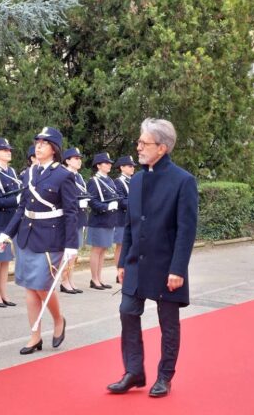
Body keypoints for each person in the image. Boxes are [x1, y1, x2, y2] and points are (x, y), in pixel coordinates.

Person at [107, 118, 198, 398]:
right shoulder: (137, 179)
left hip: (166, 264)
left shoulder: (183, 181)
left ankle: (165, 376)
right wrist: (122, 261)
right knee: (127, 311)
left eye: (143, 143)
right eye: (138, 142)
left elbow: (186, 230)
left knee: (168, 322)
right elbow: (131, 224)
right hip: (136, 261)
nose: (138, 148)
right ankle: (134, 371)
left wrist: (178, 269)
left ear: (161, 147)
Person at [0, 127, 78, 355]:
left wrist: (72, 245)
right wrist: (6, 234)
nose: (38, 146)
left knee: (42, 286)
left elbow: (71, 213)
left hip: (51, 239)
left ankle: (59, 320)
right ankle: (35, 336)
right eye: (37, 142)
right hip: (27, 236)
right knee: (30, 289)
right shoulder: (28, 174)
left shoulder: (64, 175)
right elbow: (22, 208)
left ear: (54, 149)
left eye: (44, 142)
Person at [0, 137, 21, 308]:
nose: (9, 152)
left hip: (10, 221)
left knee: (6, 259)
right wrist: (17, 200)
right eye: (5, 150)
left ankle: (4, 293)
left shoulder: (12, 173)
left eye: (9, 150)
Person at [87, 152, 118, 290]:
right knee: (97, 249)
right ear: (98, 165)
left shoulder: (110, 180)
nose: (109, 165)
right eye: (106, 163)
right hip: (99, 219)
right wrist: (106, 207)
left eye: (109, 163)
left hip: (109, 220)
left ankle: (99, 278)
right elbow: (91, 201)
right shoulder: (94, 181)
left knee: (104, 249)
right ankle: (94, 279)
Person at [60, 147, 88, 294]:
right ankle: (64, 281)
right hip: (69, 217)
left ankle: (70, 279)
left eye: (79, 158)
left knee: (74, 253)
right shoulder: (65, 175)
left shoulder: (79, 177)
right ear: (68, 160)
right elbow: (65, 199)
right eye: (76, 158)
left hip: (79, 216)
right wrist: (78, 203)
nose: (79, 161)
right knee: (68, 252)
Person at [113, 155, 136, 281]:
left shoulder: (132, 180)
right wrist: (137, 203)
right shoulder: (118, 182)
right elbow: (120, 201)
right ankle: (119, 272)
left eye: (133, 166)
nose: (132, 168)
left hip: (132, 217)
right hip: (122, 217)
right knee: (121, 246)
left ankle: (127, 271)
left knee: (130, 245)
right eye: (129, 166)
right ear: (122, 167)